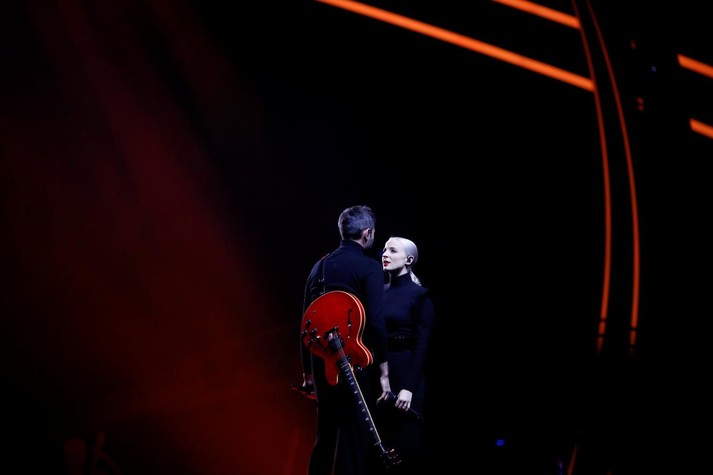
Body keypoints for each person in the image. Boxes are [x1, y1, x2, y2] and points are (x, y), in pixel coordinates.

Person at [298, 205, 393, 475]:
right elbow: (376, 321)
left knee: (325, 434)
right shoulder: (369, 266)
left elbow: (305, 322)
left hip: (321, 363)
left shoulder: (319, 266)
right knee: (353, 436)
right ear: (367, 233)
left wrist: (307, 373)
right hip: (355, 360)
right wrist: (384, 371)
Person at [376, 236, 436, 472]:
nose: (385, 254)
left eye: (392, 250)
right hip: (379, 371)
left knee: (405, 445)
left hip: (405, 372)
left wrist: (408, 387)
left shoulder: (420, 296)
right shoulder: (378, 293)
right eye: (384, 250)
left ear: (409, 260)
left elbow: (422, 346)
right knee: (378, 446)